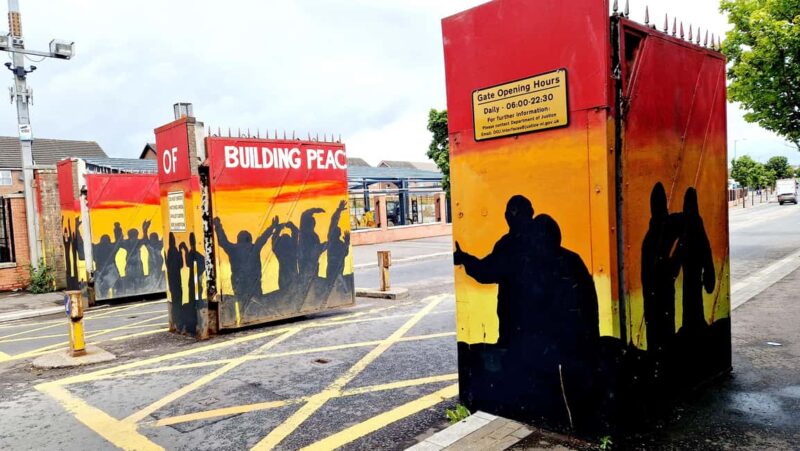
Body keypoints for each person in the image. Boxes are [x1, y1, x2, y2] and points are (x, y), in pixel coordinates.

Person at [214, 216, 278, 301]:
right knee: (256, 304)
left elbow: (222, 241)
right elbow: (263, 238)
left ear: (238, 239)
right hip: (254, 286)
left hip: (239, 286)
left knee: (241, 304)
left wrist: (218, 226)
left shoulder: (232, 249)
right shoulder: (254, 248)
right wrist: (273, 227)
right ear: (250, 239)